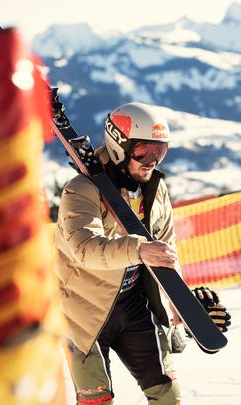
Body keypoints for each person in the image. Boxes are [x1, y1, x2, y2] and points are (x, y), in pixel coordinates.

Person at [54, 102, 229, 405]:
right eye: (145, 151)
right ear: (119, 146)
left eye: (160, 152)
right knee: (97, 399)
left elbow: (165, 247)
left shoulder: (155, 189)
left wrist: (179, 302)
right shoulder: (80, 190)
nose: (152, 161)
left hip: (133, 304)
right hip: (83, 311)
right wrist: (139, 249)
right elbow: (84, 248)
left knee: (167, 394)